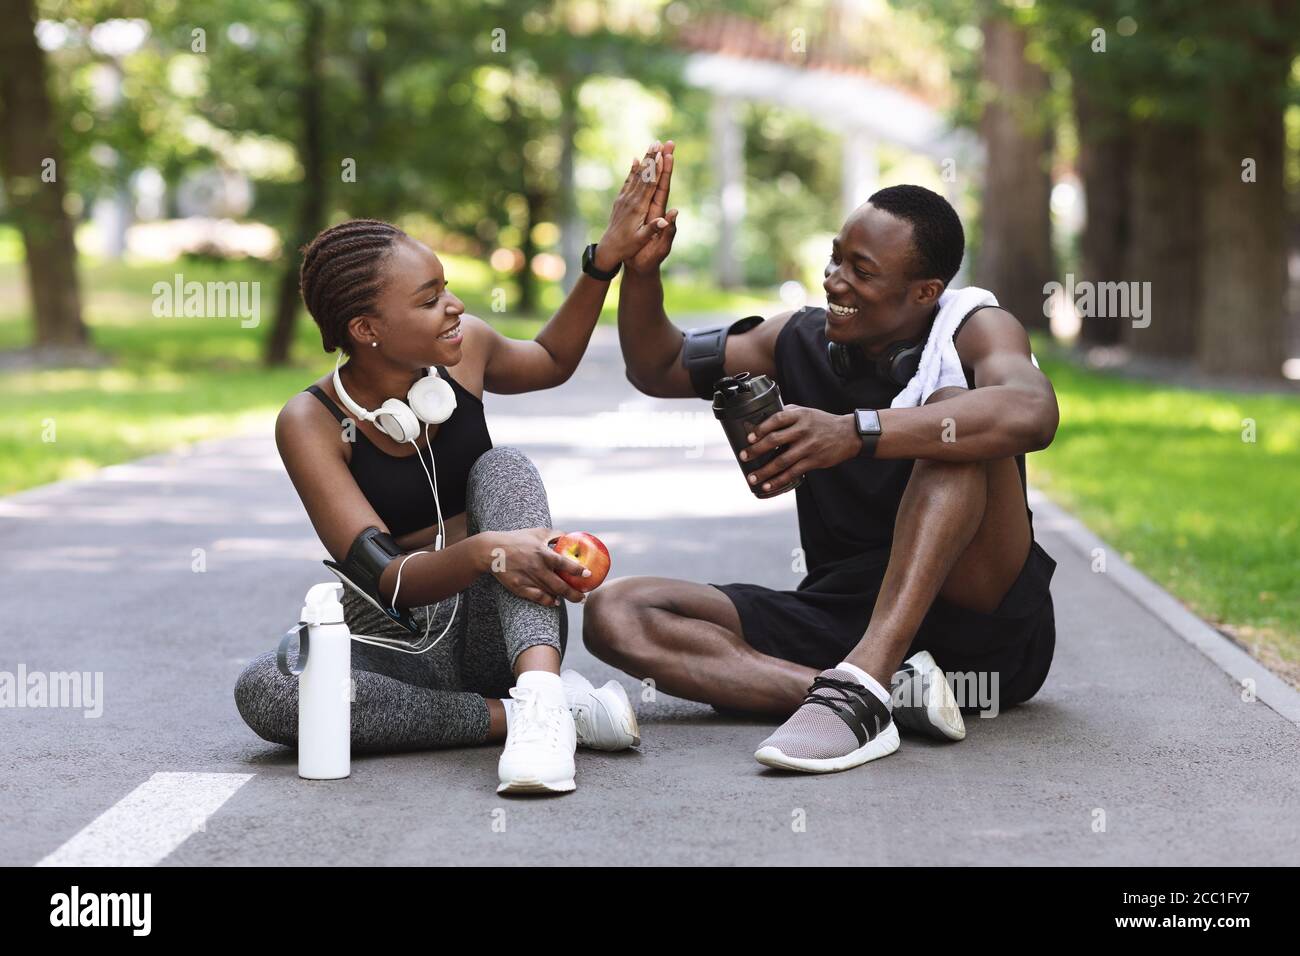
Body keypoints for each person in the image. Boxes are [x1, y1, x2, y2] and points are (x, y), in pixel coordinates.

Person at [583, 141, 1060, 774]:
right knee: (617, 612)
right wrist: (641, 270)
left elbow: (1032, 413)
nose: (836, 281)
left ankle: (865, 679)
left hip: (983, 624)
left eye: (862, 271)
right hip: (842, 614)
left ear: (925, 293)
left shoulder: (974, 330)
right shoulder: (799, 338)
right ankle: (856, 696)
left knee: (952, 413)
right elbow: (658, 364)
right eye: (836, 260)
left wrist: (857, 431)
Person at [235, 144, 674, 795]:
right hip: (402, 637)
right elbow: (384, 579)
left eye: (447, 287)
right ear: (367, 328)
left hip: (501, 627)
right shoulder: (311, 421)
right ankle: (523, 716)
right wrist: (482, 552)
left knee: (504, 467)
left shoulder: (466, 354)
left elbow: (552, 358)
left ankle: (539, 694)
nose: (456, 305)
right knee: (271, 688)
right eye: (430, 297)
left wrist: (603, 259)